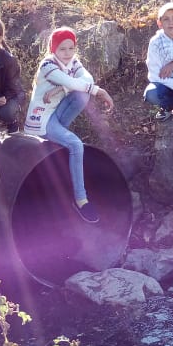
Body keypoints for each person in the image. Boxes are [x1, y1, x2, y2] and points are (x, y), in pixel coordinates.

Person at [24, 26, 115, 224]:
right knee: (76, 144)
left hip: (56, 115)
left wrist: (60, 90)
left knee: (82, 94)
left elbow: (87, 80)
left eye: (71, 48)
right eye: (62, 49)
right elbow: (73, 82)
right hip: (42, 120)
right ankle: (81, 200)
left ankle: (60, 135)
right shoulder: (47, 65)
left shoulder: (73, 62)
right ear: (53, 49)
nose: (67, 53)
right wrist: (99, 91)